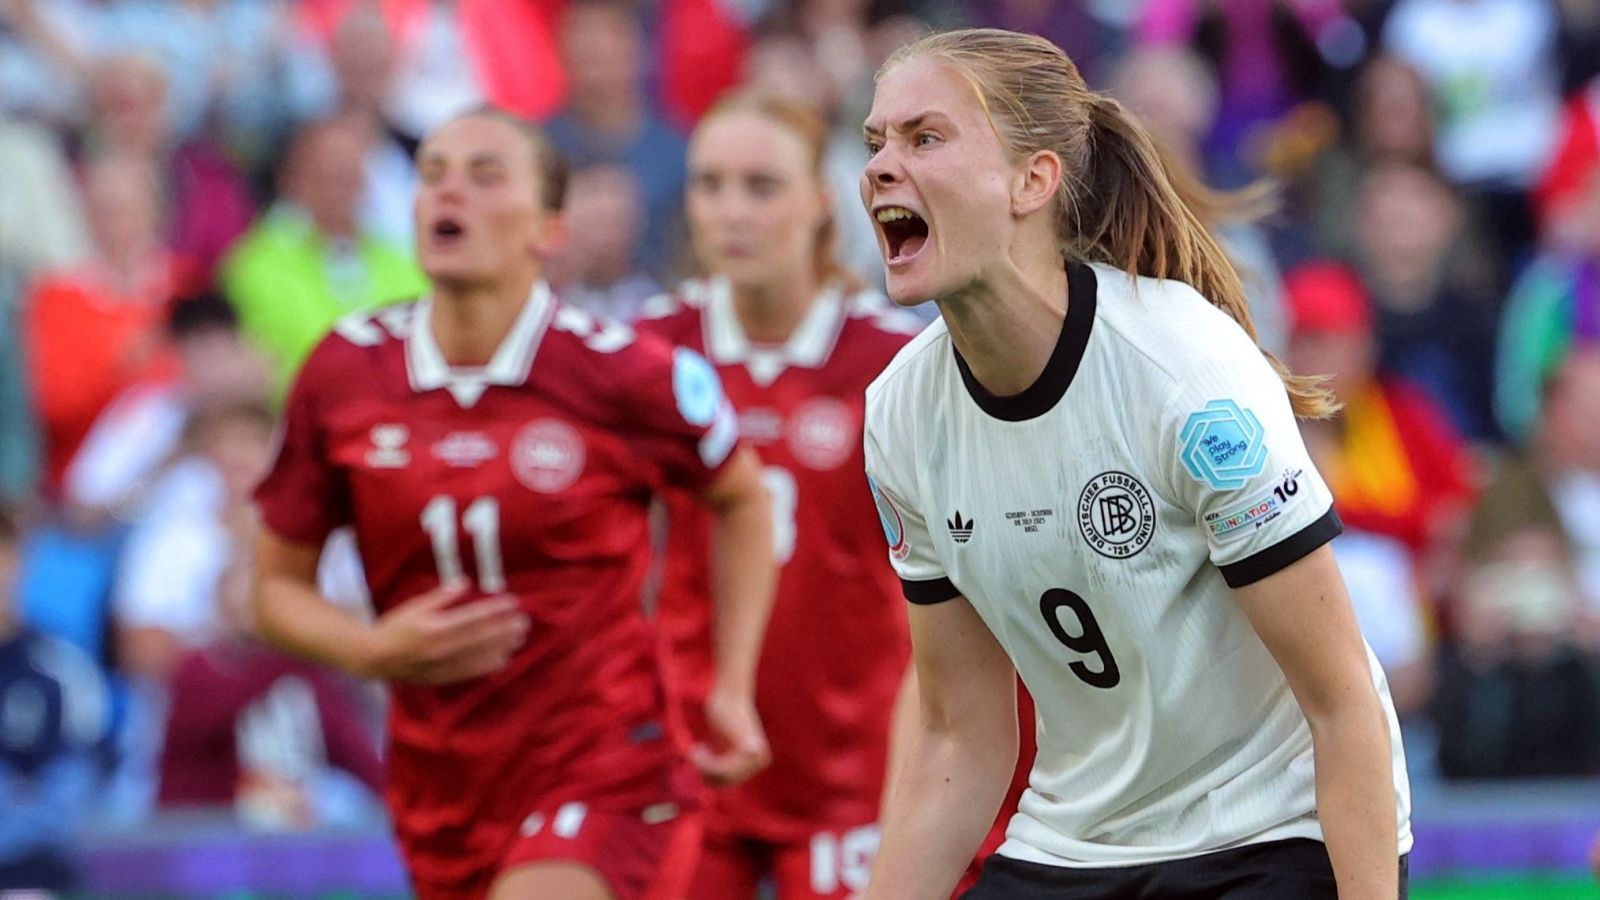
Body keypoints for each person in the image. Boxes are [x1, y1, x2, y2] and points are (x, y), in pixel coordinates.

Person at [858, 29, 1411, 899]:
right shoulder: (899, 413)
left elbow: (1343, 705)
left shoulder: (1182, 373)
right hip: (1074, 848)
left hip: (1273, 830)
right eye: (875, 141)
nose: (882, 166)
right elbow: (959, 737)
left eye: (924, 137)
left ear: (1032, 182)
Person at [251, 106, 778, 900]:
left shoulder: (620, 373)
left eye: (485, 174)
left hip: (605, 760)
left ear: (549, 227)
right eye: (432, 174)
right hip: (441, 780)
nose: (447, 192)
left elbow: (742, 498)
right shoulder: (344, 372)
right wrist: (370, 651)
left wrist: (731, 684)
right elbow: (272, 588)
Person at [637, 91, 919, 898]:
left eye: (760, 186)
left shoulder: (898, 360)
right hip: (690, 764)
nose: (730, 211)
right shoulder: (649, 351)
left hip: (853, 771)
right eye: (709, 184)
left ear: (821, 201)